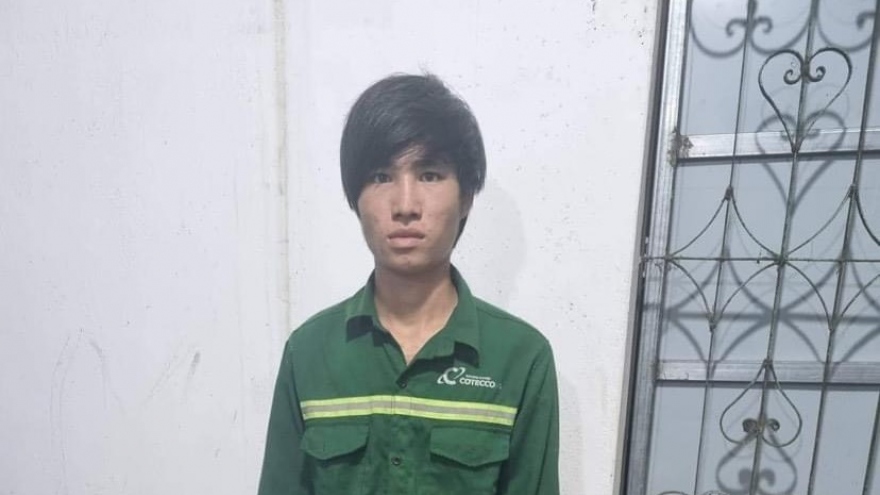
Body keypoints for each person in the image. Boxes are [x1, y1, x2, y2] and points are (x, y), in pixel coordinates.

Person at [257, 73, 559, 495]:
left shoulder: (521, 359)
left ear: (466, 197)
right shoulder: (308, 353)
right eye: (381, 176)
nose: (405, 205)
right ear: (355, 197)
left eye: (429, 175)